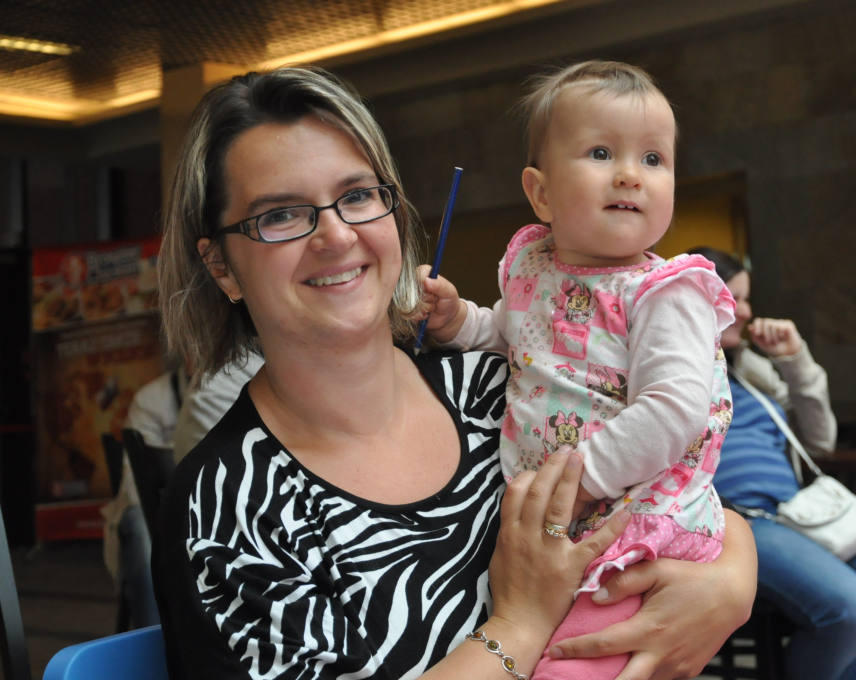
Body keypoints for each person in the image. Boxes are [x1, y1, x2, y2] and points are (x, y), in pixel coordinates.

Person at [152, 65, 758, 680]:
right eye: (281, 214)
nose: (336, 235)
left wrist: (734, 576)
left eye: (358, 196)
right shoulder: (229, 504)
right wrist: (519, 624)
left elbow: (682, 489)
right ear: (221, 266)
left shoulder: (496, 386)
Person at [420, 60, 734, 680]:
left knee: (570, 665)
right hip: (563, 521)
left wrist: (579, 479)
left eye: (653, 159)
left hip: (633, 518)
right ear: (540, 193)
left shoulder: (665, 292)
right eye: (601, 152)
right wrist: (458, 321)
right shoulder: (536, 270)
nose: (630, 174)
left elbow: (673, 411)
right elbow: (512, 335)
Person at [693, 246, 856, 680]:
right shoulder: (667, 371)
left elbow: (820, 441)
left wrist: (795, 359)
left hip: (801, 512)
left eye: (747, 299)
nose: (745, 311)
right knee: (850, 607)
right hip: (737, 522)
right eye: (734, 298)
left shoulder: (750, 371)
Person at [101, 364, 187, 629]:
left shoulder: (241, 385)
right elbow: (134, 485)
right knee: (140, 526)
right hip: (153, 509)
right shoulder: (152, 399)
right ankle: (154, 636)